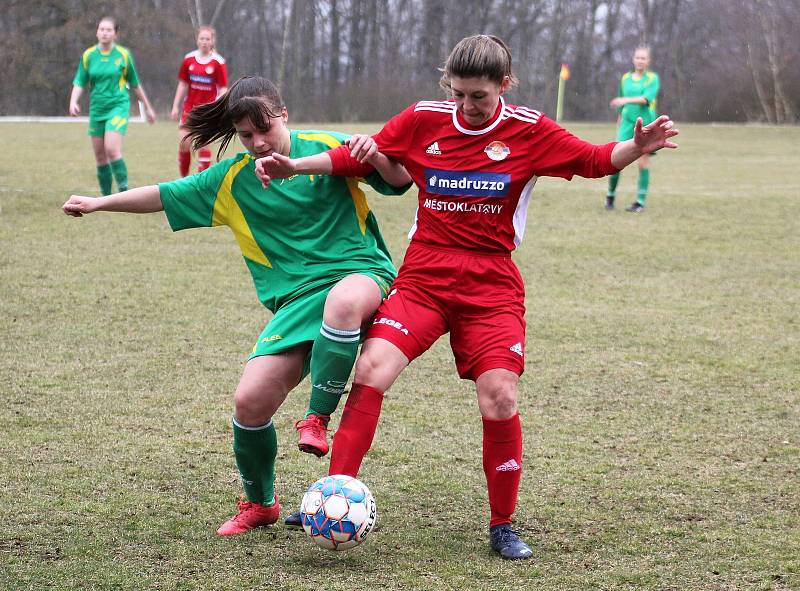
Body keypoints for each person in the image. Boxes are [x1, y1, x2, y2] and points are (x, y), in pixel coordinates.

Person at [256, 35, 678, 560]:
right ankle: (333, 493)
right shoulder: (424, 118)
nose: (466, 106)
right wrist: (295, 166)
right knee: (372, 369)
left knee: (499, 395)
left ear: (504, 85)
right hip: (424, 277)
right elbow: (363, 158)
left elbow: (593, 159)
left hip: (491, 285)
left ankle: (502, 523)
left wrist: (636, 148)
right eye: (457, 93)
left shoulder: (529, 130)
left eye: (478, 95)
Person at [62, 76, 411, 536]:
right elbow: (164, 195)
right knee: (250, 401)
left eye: (265, 129)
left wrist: (377, 155)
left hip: (360, 275)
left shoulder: (327, 146)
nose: (258, 142)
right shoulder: (231, 181)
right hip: (297, 302)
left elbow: (399, 180)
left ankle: (316, 419)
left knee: (343, 301)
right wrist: (98, 202)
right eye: (246, 135)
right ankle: (260, 503)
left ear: (283, 114)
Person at [69, 16, 157, 196]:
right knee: (100, 156)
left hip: (118, 107)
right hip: (97, 109)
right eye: (101, 29)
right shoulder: (89, 55)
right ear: (97, 32)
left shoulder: (123, 55)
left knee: (111, 149)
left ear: (115, 34)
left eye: (109, 30)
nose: (104, 33)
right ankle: (106, 197)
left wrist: (148, 107)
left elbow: (135, 83)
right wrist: (73, 101)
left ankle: (124, 192)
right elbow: (80, 81)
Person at [606, 46, 661, 212]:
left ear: (648, 61)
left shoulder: (652, 78)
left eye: (643, 58)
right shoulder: (625, 78)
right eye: (638, 57)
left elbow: (646, 99)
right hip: (627, 122)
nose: (640, 61)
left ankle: (640, 202)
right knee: (615, 160)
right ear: (633, 59)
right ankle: (610, 196)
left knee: (643, 162)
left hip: (645, 123)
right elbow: (621, 103)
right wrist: (620, 115)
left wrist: (624, 100)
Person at [170, 26, 229, 176]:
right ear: (197, 40)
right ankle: (184, 180)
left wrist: (219, 104)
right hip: (189, 109)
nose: (204, 42)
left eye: (207, 39)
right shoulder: (188, 59)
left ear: (212, 41)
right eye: (202, 38)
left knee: (204, 146)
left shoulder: (218, 62)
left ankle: (201, 183)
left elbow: (223, 88)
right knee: (184, 143)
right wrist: (175, 106)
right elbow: (183, 84)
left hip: (208, 111)